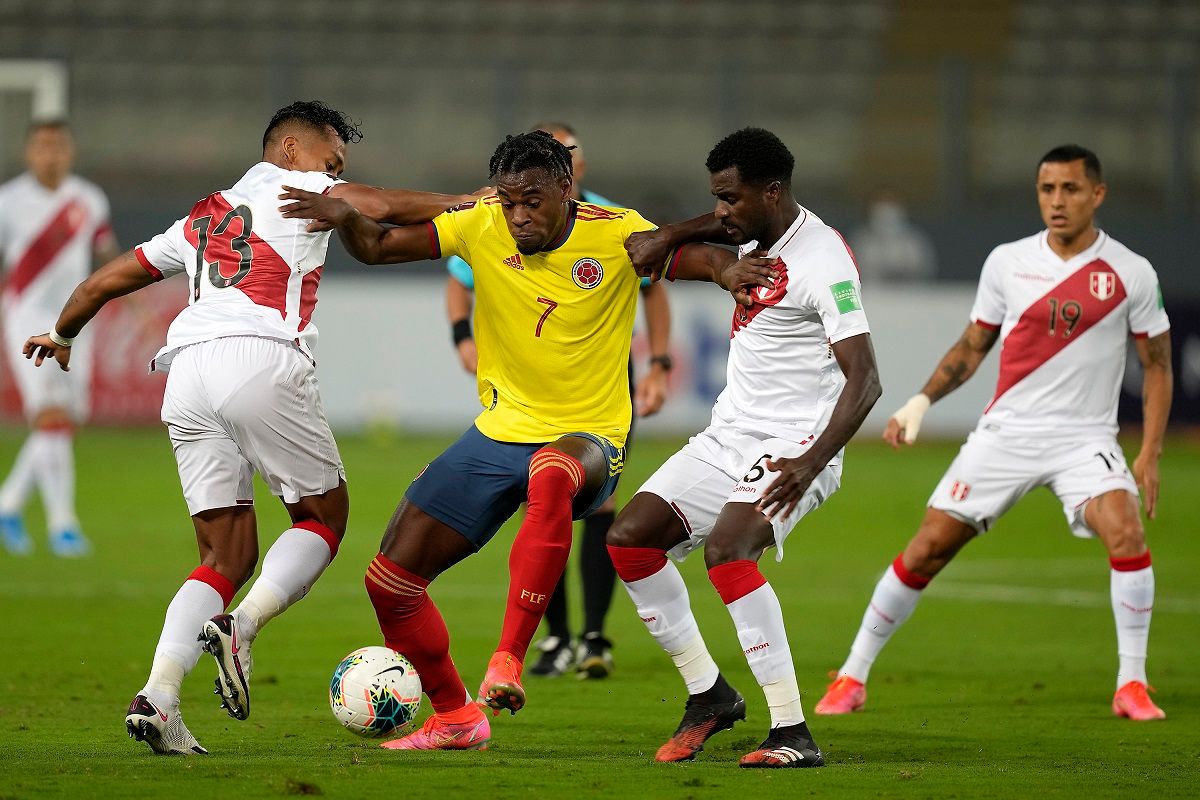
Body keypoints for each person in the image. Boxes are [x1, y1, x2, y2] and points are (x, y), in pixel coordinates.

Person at [280, 130, 774, 752]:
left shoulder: (616, 230)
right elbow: (378, 249)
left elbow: (697, 260)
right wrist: (347, 217)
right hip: (499, 430)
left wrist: (731, 271)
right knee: (389, 581)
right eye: (509, 201)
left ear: (566, 189)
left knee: (551, 473)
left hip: (587, 436)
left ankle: (508, 659)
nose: (518, 216)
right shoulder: (480, 223)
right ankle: (456, 717)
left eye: (533, 201)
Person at [24, 100, 474, 755]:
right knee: (323, 520)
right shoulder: (304, 186)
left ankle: (159, 695)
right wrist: (472, 203)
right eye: (331, 158)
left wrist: (63, 332)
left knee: (224, 555)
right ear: (291, 149)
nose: (336, 172)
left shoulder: (203, 213)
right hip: (259, 358)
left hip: (185, 377)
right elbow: (379, 205)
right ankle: (244, 626)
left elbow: (113, 276)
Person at [814, 144, 1172, 722]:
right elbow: (973, 345)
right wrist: (920, 401)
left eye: (1070, 189)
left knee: (1127, 533)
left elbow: (1157, 364)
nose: (1057, 201)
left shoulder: (1131, 273)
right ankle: (853, 675)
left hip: (1086, 440)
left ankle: (1132, 684)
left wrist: (1150, 451)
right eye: (1046, 189)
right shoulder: (1007, 261)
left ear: (1097, 194)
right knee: (927, 548)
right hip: (1005, 435)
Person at [607, 127, 880, 769]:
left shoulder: (825, 261)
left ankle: (792, 731)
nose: (722, 214)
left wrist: (810, 463)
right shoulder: (752, 231)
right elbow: (681, 241)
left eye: (730, 200)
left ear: (772, 191)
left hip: (796, 443)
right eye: (716, 200)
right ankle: (710, 695)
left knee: (731, 550)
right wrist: (674, 233)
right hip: (729, 434)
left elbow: (866, 381)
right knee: (630, 538)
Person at [445, 122, 672, 679]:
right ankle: (557, 638)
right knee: (539, 506)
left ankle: (594, 635)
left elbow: (656, 287)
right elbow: (459, 273)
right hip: (527, 396)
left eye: (569, 151)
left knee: (595, 505)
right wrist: (461, 334)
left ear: (576, 169)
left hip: (599, 392)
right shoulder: (503, 218)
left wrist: (659, 366)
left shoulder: (616, 224)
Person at [0, 120, 119, 557]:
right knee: (49, 417)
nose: (51, 154)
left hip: (74, 321)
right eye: (42, 147)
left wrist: (134, 299)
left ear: (69, 152)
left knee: (66, 419)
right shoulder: (8, 202)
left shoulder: (88, 198)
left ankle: (8, 504)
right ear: (30, 152)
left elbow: (106, 252)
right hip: (27, 319)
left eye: (58, 147)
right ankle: (62, 525)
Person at [848, 190, 937, 284]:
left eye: (890, 202)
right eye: (881, 202)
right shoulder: (861, 239)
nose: (886, 210)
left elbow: (926, 271)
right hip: (870, 295)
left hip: (910, 295)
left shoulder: (915, 240)